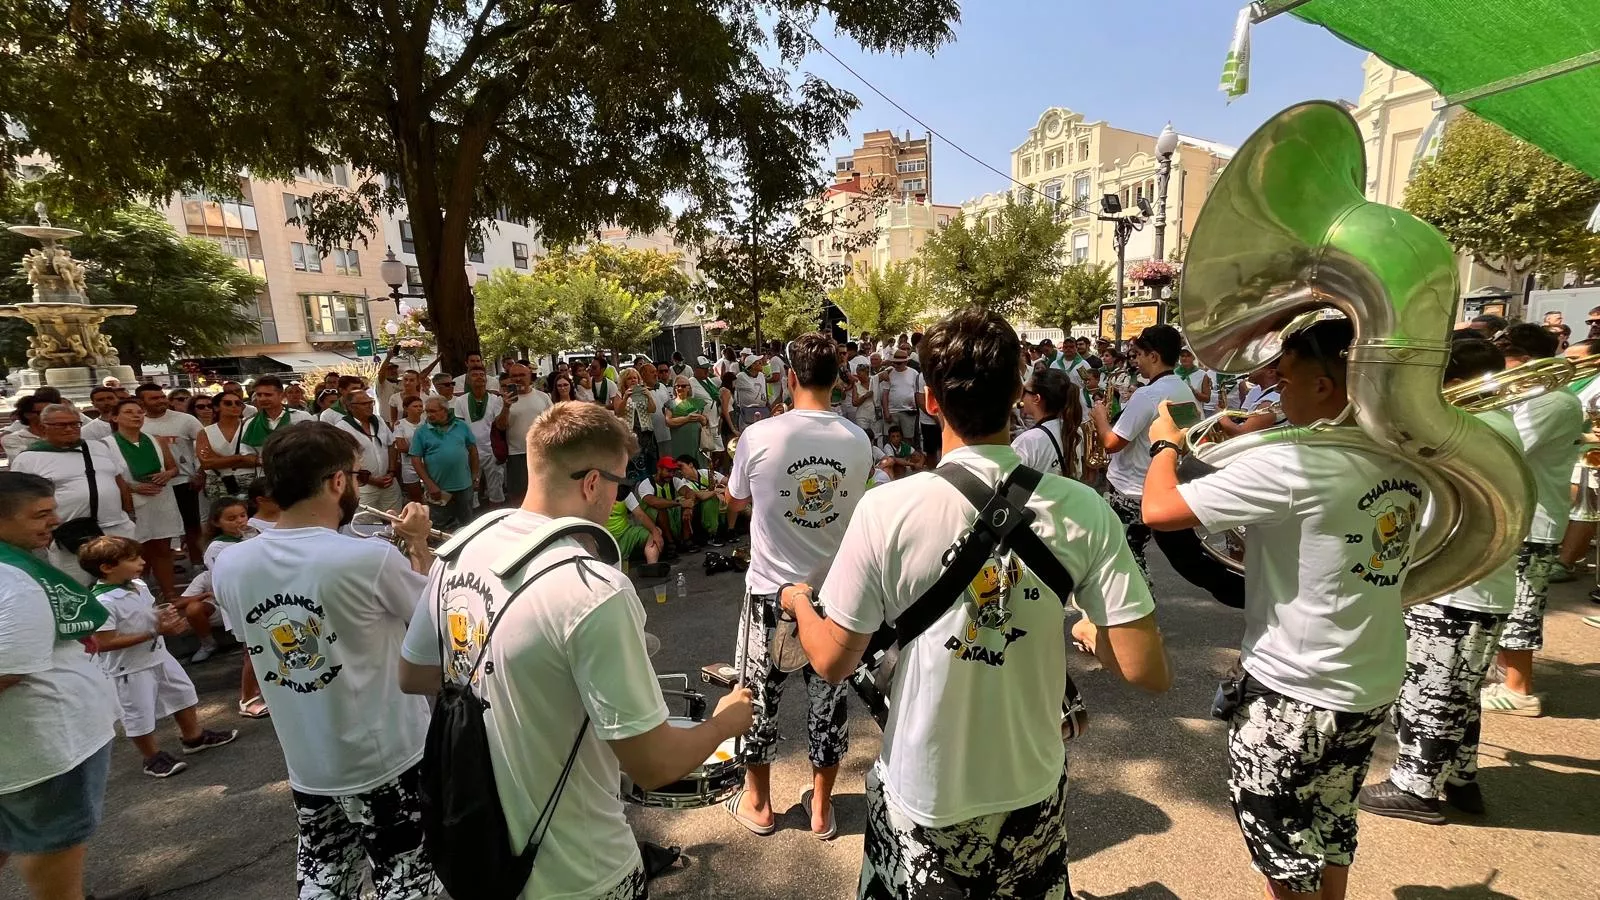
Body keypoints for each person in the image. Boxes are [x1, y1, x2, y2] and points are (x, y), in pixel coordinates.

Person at [778, 306, 1169, 898]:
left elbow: (833, 661)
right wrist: (1089, 631)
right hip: (1031, 785)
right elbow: (1146, 670)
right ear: (1017, 391)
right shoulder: (1083, 510)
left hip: (922, 791)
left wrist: (800, 602)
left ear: (930, 402)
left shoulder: (888, 510)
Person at [397, 401, 752, 898]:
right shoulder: (592, 587)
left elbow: (413, 674)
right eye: (618, 485)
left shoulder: (461, 550)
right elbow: (651, 765)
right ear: (591, 483)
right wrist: (724, 721)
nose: (617, 498)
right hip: (582, 872)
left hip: (477, 850)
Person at [1142, 318, 1423, 900]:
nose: (1274, 387)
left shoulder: (1296, 465)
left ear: (1324, 387)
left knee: (1281, 843)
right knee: (1332, 818)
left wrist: (1166, 443)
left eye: (1286, 377)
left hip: (1296, 685)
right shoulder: (1407, 453)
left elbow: (1159, 508)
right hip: (1368, 675)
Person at [211, 422, 440, 899]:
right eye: (354, 476)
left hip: (308, 759)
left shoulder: (230, 565)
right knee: (409, 875)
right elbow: (430, 625)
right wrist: (416, 544)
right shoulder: (366, 557)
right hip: (388, 754)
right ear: (338, 481)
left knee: (326, 875)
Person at [1358, 339, 1520, 824]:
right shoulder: (1490, 425)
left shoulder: (1470, 429)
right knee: (1457, 690)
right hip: (1471, 583)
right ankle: (1459, 775)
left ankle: (1417, 785)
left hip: (1457, 587)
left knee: (1430, 687)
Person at [724, 333, 871, 840]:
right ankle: (821, 809)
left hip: (768, 591)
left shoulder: (758, 436)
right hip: (833, 597)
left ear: (789, 377)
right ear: (838, 379)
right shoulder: (858, 441)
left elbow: (736, 498)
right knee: (828, 704)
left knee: (756, 699)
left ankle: (760, 804)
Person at [0, 472, 146, 900]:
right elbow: (8, 670)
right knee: (54, 845)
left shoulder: (15, 565)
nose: (55, 522)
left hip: (28, 745)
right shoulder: (14, 582)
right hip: (48, 743)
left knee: (17, 834)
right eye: (40, 515)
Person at [1090, 325, 1241, 607]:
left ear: (1154, 356)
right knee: (1185, 558)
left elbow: (1112, 442)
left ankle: (1138, 613)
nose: (1136, 361)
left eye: (1140, 355)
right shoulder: (1182, 389)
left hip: (1129, 490)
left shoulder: (1147, 395)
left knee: (1126, 554)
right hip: (1160, 484)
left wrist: (1099, 416)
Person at [1481, 323, 1585, 717]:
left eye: (1504, 357)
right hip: (1522, 511)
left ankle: (1519, 690)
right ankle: (1507, 677)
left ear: (1523, 360)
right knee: (1510, 599)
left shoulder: (1550, 400)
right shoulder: (1534, 396)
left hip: (1534, 517)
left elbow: (1508, 448)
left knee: (1521, 602)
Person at [77, 535, 237, 778]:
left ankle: (193, 737)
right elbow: (104, 642)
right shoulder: (102, 601)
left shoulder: (138, 586)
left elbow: (149, 614)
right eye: (133, 559)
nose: (142, 562)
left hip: (159, 655)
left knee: (182, 694)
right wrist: (154, 631)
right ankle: (151, 757)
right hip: (129, 668)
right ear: (107, 568)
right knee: (138, 712)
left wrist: (167, 619)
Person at [12, 405, 138, 583]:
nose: (69, 429)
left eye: (74, 424)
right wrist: (46, 533)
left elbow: (119, 481)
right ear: (43, 427)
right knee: (78, 586)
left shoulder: (99, 447)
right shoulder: (29, 458)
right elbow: (26, 501)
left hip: (116, 527)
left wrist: (130, 514)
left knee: (125, 582)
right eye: (61, 425)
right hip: (71, 536)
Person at [106, 399, 184, 603]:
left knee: (162, 548)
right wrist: (132, 486)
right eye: (129, 412)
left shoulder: (156, 440)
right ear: (115, 417)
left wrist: (167, 474)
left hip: (161, 499)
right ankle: (138, 596)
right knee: (133, 550)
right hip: (132, 501)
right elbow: (108, 476)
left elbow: (173, 468)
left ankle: (169, 593)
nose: (136, 416)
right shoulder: (107, 444)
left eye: (140, 412)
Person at [133, 384, 204, 570]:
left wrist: (200, 472)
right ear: (141, 402)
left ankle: (198, 563)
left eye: (162, 396)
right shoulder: (138, 423)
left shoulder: (186, 420)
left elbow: (202, 446)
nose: (161, 401)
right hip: (154, 485)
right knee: (157, 530)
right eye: (154, 398)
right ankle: (165, 565)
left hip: (183, 481)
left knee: (191, 524)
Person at [410, 396, 479, 529]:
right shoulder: (421, 432)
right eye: (427, 411)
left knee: (467, 525)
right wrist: (429, 485)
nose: (429, 415)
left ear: (445, 411)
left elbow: (473, 451)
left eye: (433, 411)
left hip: (464, 486)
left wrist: (475, 476)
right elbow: (415, 460)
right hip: (439, 489)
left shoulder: (461, 426)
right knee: (438, 526)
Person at [332, 392, 402, 513]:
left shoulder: (379, 421)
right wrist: (371, 480)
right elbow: (343, 461)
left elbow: (391, 445)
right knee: (364, 524)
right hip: (363, 486)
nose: (369, 406)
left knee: (394, 520)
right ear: (350, 407)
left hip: (388, 483)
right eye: (364, 403)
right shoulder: (342, 427)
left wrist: (391, 472)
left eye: (371, 402)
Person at [499, 362, 552, 507]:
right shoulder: (503, 400)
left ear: (530, 376)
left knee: (544, 492)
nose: (518, 379)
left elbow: (553, 423)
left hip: (542, 452)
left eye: (522, 375)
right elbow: (500, 427)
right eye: (514, 376)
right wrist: (506, 407)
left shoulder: (543, 397)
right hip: (516, 454)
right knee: (518, 495)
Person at [1013, 368, 1079, 480]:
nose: (1021, 396)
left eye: (1024, 391)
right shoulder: (1072, 428)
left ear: (1036, 398)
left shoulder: (1027, 441)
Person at [196, 390, 259, 502]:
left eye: (238, 403)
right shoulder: (205, 432)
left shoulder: (251, 427)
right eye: (228, 403)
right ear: (216, 407)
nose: (234, 406)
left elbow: (257, 460)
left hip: (249, 480)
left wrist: (217, 459)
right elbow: (206, 463)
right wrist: (241, 458)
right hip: (218, 482)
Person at [612, 367, 658, 483]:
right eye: (629, 378)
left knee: (649, 462)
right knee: (633, 463)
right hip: (630, 434)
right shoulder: (620, 393)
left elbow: (652, 409)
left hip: (646, 433)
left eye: (635, 378)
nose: (633, 380)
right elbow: (618, 411)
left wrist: (649, 396)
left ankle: (650, 488)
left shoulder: (643, 391)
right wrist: (626, 397)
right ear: (624, 381)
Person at [880, 348, 924, 451]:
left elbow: (917, 391)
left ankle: (909, 459)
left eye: (899, 363)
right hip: (892, 411)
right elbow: (885, 394)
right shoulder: (889, 373)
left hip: (909, 411)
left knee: (908, 438)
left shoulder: (914, 373)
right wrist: (886, 412)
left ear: (906, 362)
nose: (896, 365)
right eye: (895, 363)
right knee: (890, 438)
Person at [664, 375, 711, 467]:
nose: (680, 388)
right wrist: (687, 419)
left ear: (689, 388)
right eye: (677, 386)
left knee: (698, 465)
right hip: (679, 441)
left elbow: (705, 421)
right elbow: (668, 422)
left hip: (696, 442)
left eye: (683, 386)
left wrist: (702, 419)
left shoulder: (697, 403)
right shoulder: (670, 404)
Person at [391, 395, 426, 505]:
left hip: (427, 463)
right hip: (408, 465)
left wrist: (411, 448)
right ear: (406, 409)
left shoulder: (427, 422)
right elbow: (401, 447)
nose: (419, 408)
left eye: (421, 406)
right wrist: (423, 449)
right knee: (416, 498)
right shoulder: (400, 424)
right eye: (415, 406)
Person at [733, 355, 768, 429]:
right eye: (758, 362)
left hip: (762, 411)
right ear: (752, 365)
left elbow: (764, 391)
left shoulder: (761, 375)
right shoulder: (741, 376)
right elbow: (732, 387)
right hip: (747, 413)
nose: (761, 363)